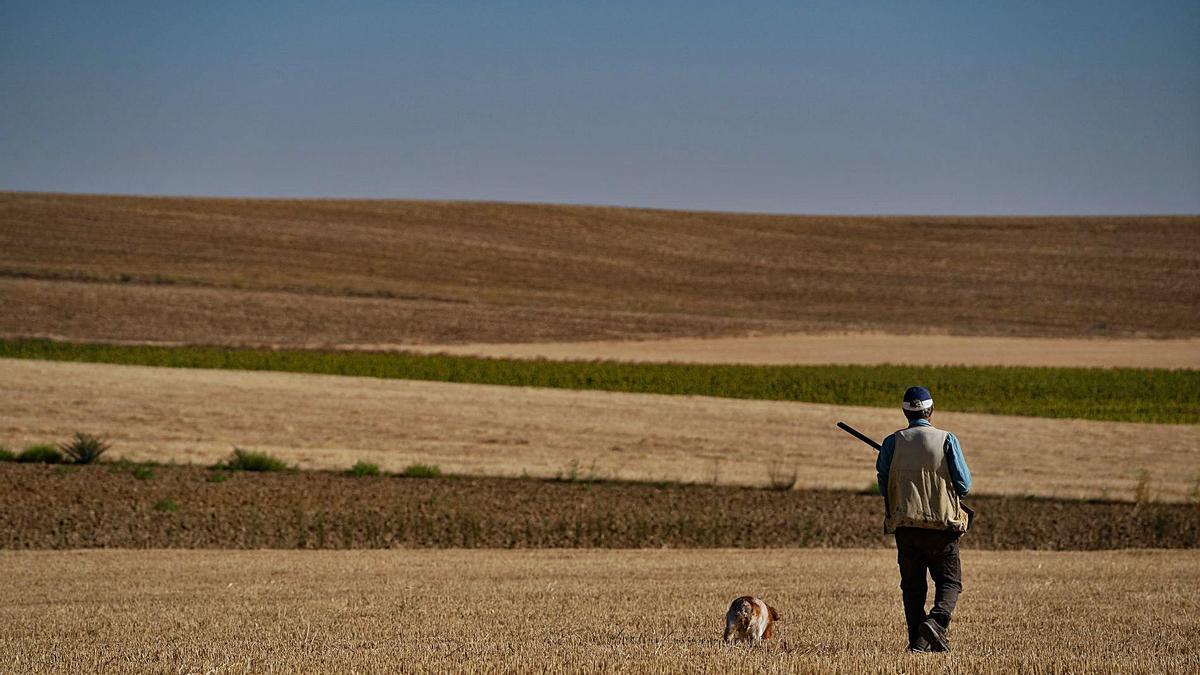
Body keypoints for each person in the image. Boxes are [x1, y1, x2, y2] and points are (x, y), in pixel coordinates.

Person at [875, 386, 972, 654]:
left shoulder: (892, 442)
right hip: (942, 524)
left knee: (913, 587)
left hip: (906, 525)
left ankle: (918, 643)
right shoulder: (947, 439)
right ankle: (936, 623)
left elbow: (884, 485)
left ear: (905, 411)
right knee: (950, 583)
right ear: (930, 410)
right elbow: (964, 485)